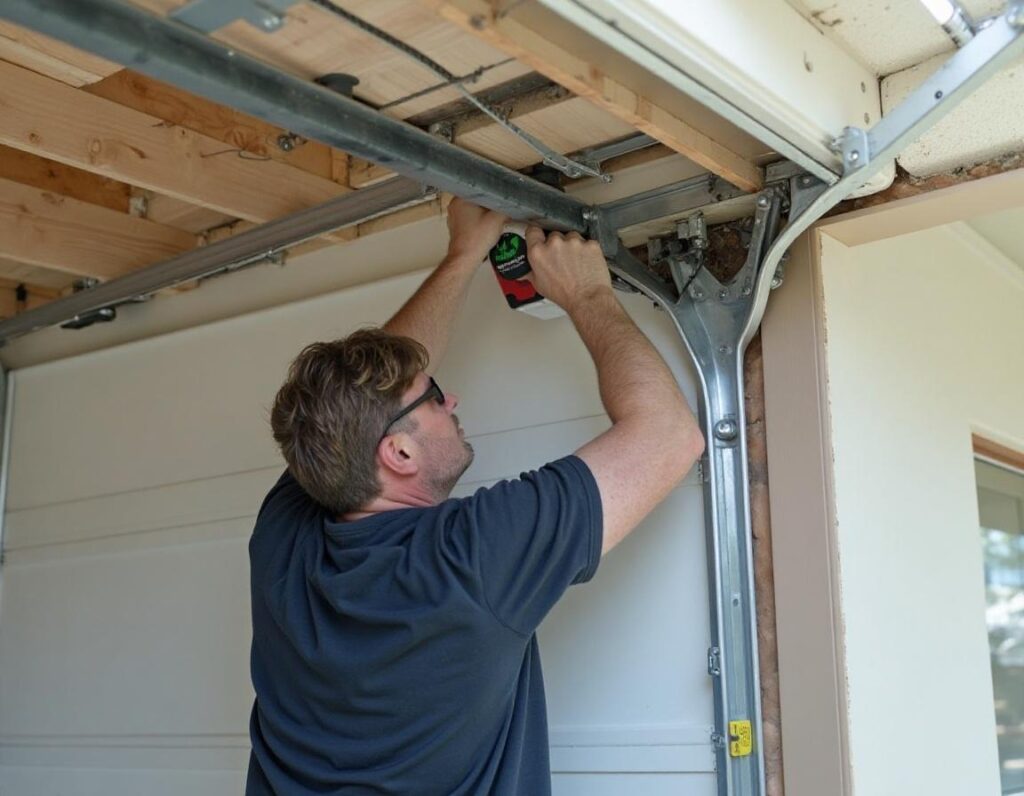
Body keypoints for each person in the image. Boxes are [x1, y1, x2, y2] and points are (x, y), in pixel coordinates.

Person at [246, 198, 705, 795]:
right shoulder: (466, 561)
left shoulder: (287, 533)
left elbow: (366, 400)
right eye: (434, 395)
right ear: (399, 455)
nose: (452, 400)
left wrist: (462, 255)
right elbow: (668, 436)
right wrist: (587, 295)